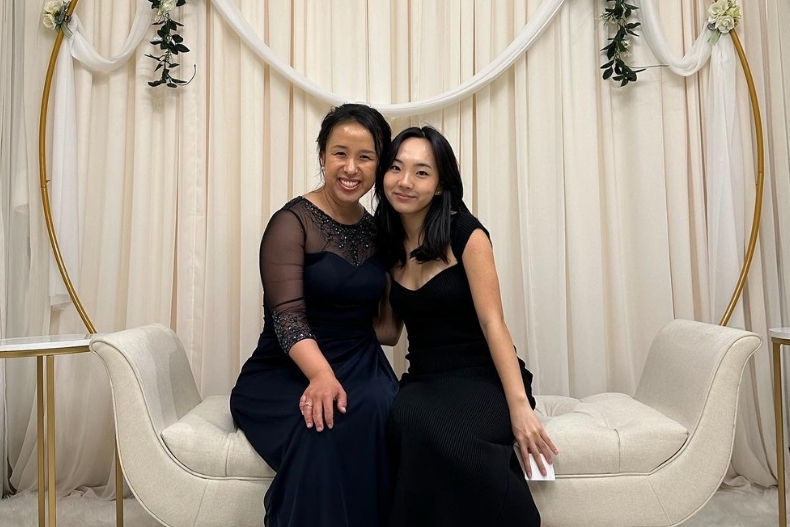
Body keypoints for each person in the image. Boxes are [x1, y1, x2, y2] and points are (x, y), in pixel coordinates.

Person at [375, 126, 557, 527]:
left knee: (454, 439)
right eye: (396, 168)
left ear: (441, 185)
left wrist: (520, 408)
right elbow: (388, 331)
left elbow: (494, 324)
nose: (405, 181)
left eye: (422, 172)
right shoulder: (386, 243)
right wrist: (321, 324)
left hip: (482, 375)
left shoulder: (466, 234)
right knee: (406, 425)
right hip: (425, 378)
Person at [230, 103, 399, 527]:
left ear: (379, 165)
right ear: (322, 155)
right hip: (286, 370)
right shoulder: (291, 223)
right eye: (340, 153)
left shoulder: (380, 230)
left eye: (365, 157)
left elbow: (387, 332)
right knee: (323, 430)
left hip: (361, 365)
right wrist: (321, 376)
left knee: (385, 418)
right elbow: (287, 318)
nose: (351, 168)